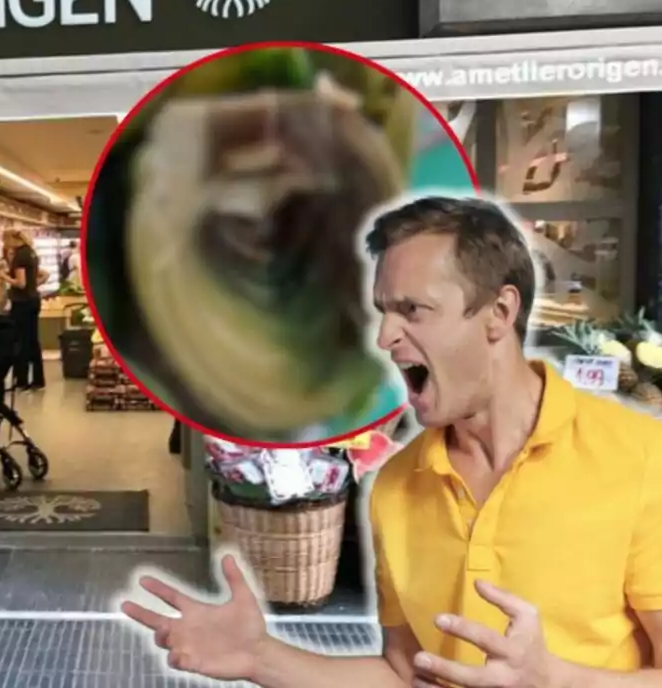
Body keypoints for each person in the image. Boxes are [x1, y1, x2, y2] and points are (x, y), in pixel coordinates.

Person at [122, 196, 662, 687]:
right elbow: (407, 675)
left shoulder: (641, 459)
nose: (384, 337)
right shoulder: (397, 486)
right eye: (383, 310)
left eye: (413, 310)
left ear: (499, 313)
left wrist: (556, 681)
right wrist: (259, 657)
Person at [0, 229, 49, 391]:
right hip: (32, 301)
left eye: (4, 241)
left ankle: (22, 380)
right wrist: (32, 287)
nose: (4, 245)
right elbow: (33, 279)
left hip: (22, 303)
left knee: (20, 340)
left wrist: (3, 276)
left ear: (12, 239)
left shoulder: (20, 256)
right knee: (32, 340)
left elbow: (21, 283)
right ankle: (38, 379)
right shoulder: (31, 253)